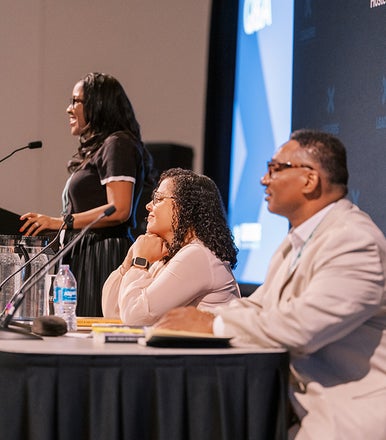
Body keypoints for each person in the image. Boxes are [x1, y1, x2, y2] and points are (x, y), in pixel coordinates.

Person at [155, 130, 386, 440]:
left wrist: (213, 325)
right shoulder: (299, 239)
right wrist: (202, 320)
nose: (264, 180)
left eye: (275, 168)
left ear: (309, 180)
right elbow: (259, 304)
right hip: (299, 410)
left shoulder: (354, 241)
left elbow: (300, 328)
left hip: (350, 416)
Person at [20, 72, 155, 317]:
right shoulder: (103, 148)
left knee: (91, 331)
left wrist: (62, 221)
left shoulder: (119, 144)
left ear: (98, 104)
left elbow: (120, 209)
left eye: (75, 101)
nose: (68, 109)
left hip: (103, 253)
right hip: (85, 250)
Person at [102, 167, 240, 325]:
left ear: (185, 207)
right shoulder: (168, 255)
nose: (148, 206)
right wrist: (128, 262)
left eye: (158, 199)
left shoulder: (198, 255)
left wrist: (139, 263)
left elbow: (136, 318)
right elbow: (112, 314)